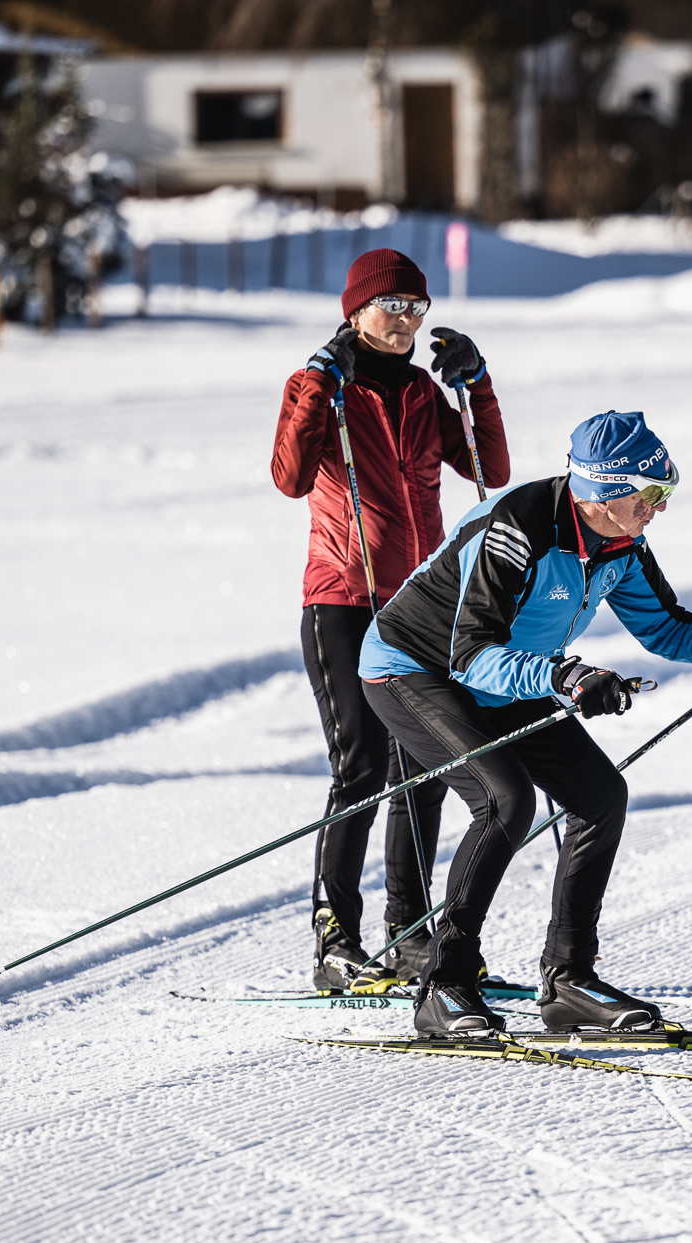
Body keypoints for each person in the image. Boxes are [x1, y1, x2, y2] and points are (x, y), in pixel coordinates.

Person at [357, 410, 692, 1036]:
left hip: (511, 669)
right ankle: (446, 984)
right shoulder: (516, 530)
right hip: (415, 669)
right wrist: (563, 678)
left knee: (599, 796)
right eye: (650, 495)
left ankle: (568, 980)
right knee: (503, 800)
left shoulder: (621, 543)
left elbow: (666, 628)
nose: (660, 508)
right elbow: (470, 652)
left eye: (666, 492)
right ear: (602, 493)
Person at [270, 248, 510, 994]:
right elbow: (289, 477)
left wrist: (478, 387)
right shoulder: (321, 386)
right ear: (356, 311)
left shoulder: (418, 393)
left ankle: (409, 935)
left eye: (417, 307)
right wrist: (316, 385)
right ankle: (334, 939)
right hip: (341, 600)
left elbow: (490, 469)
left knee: (425, 769)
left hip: (415, 608)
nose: (406, 320)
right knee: (362, 767)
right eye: (392, 306)